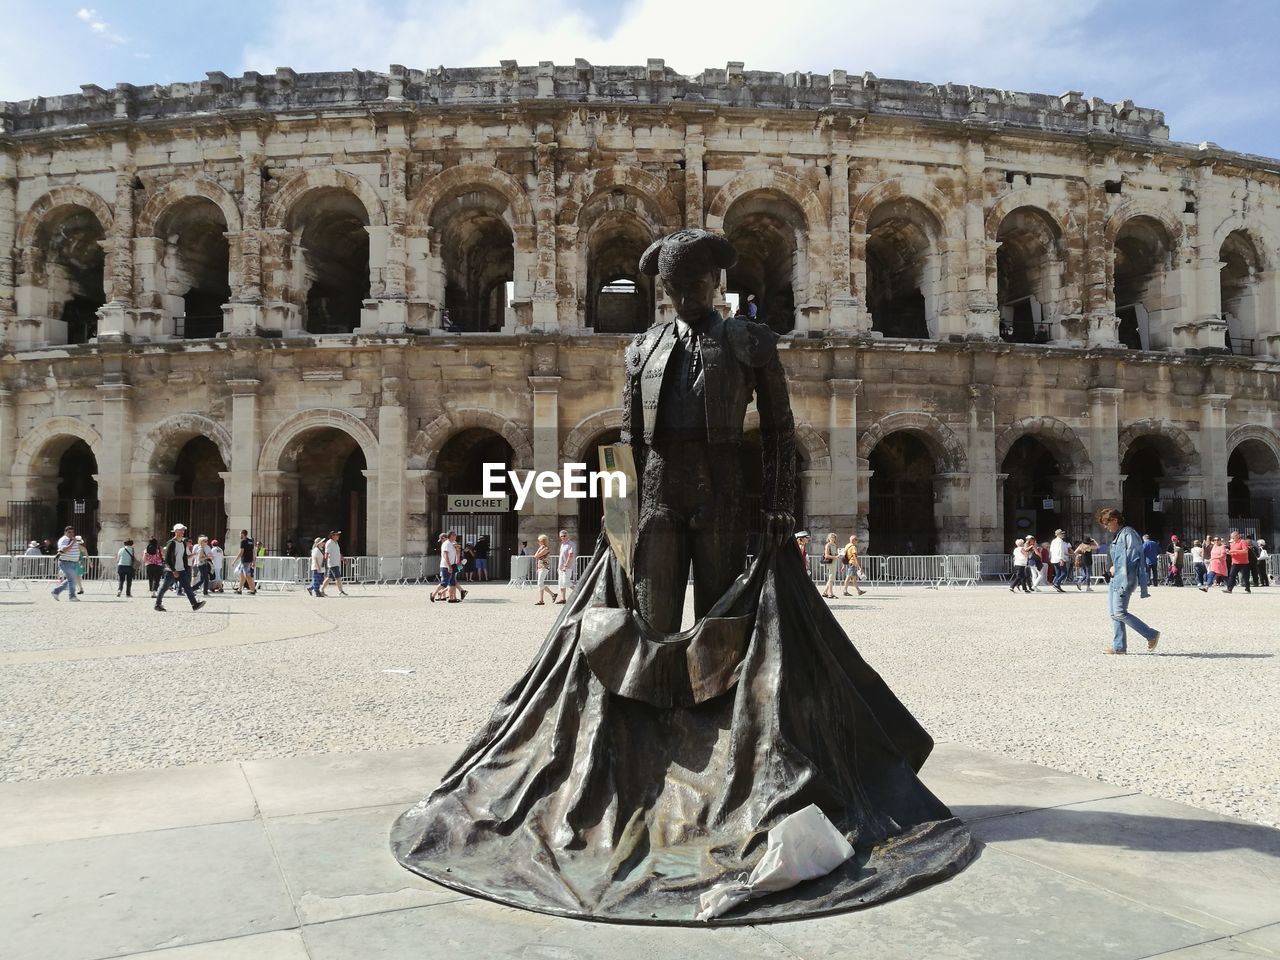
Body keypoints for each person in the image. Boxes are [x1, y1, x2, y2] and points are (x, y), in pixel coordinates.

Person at [1097, 507, 1159, 654]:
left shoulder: (1128, 533)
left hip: (1125, 578)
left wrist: (1116, 568)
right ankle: (1119, 646)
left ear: (1114, 520)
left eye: (1107, 523)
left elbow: (1133, 557)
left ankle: (1151, 634)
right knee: (1114, 613)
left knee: (1119, 612)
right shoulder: (1118, 534)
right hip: (1116, 578)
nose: (1106, 527)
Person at [154, 523, 206, 613]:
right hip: (171, 570)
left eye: (183, 530)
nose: (183, 531)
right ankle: (158, 604)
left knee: (187, 587)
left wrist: (186, 568)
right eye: (181, 530)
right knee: (164, 587)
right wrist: (173, 570)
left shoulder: (182, 543)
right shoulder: (171, 543)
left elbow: (183, 556)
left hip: (181, 569)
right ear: (176, 531)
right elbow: (168, 558)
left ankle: (194, 604)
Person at [50, 525, 81, 601]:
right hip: (66, 562)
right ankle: (72, 596)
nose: (71, 533)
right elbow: (64, 550)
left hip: (73, 562)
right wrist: (72, 543)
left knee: (71, 579)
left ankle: (56, 591)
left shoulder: (73, 539)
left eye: (72, 532)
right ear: (65, 532)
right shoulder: (63, 540)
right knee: (72, 580)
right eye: (69, 532)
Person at [321, 530, 348, 597]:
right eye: (336, 535)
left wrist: (343, 559)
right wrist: (324, 562)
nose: (338, 536)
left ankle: (321, 590)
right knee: (338, 578)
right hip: (332, 563)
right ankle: (341, 591)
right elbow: (327, 552)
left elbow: (338, 553)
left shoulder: (336, 543)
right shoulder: (329, 543)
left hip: (336, 563)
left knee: (329, 578)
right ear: (332, 536)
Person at [1225, 530, 1253, 594]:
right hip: (1235, 562)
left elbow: (1245, 551)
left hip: (1244, 562)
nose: (1232, 539)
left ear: (1238, 536)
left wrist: (1234, 551)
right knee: (1232, 575)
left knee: (1245, 576)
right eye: (1231, 537)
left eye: (1233, 537)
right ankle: (1229, 589)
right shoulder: (1232, 543)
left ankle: (1247, 589)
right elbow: (1233, 552)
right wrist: (1229, 553)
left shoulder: (1242, 542)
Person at [233, 529, 257, 595]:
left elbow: (241, 552)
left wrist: (234, 561)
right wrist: (254, 561)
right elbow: (253, 552)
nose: (239, 535)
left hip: (245, 561)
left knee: (247, 576)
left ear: (243, 534)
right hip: (248, 561)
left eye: (240, 534)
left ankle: (252, 590)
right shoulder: (251, 541)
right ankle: (239, 590)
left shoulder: (243, 542)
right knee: (242, 576)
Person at [555, 529, 575, 604]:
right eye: (561, 536)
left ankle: (578, 591)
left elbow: (571, 555)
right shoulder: (562, 544)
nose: (563, 537)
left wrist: (566, 565)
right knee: (561, 583)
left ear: (567, 535)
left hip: (567, 566)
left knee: (566, 582)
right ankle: (563, 599)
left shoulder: (571, 544)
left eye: (564, 536)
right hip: (560, 567)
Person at [533, 534, 554, 604]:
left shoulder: (545, 549)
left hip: (544, 567)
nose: (538, 542)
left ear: (542, 541)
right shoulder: (542, 548)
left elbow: (536, 556)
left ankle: (552, 594)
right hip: (541, 567)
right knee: (541, 583)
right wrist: (539, 548)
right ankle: (541, 600)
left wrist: (539, 549)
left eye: (539, 541)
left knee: (540, 583)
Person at [1049, 528, 1070, 593]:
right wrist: (1061, 559)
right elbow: (1060, 550)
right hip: (1059, 558)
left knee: (1058, 573)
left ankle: (1057, 585)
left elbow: (1051, 550)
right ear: (1058, 534)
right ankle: (1056, 583)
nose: (1063, 535)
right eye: (1062, 534)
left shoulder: (1053, 541)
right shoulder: (1060, 541)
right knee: (1064, 573)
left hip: (1054, 559)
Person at [820, 532, 839, 599]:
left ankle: (825, 592)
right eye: (832, 537)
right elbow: (826, 555)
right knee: (831, 578)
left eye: (834, 537)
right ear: (829, 538)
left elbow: (835, 554)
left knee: (832, 578)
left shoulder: (834, 545)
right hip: (831, 562)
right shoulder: (828, 545)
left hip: (834, 562)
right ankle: (830, 593)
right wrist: (835, 557)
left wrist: (838, 555)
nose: (833, 538)